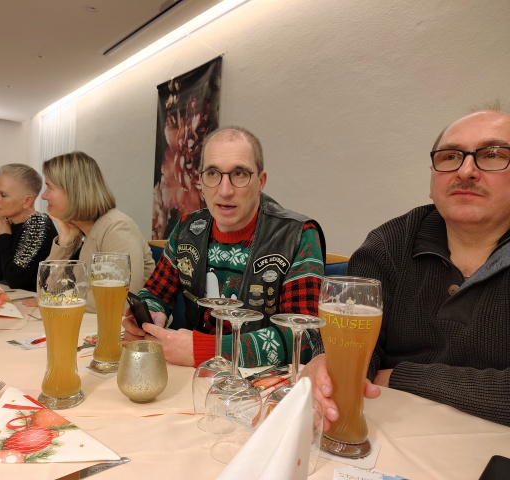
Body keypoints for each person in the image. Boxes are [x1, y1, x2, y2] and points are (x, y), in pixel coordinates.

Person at [302, 109, 510, 428]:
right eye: (450, 156)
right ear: (432, 179)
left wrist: (402, 377)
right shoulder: (390, 243)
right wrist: (324, 362)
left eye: (492, 155)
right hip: (389, 429)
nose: (466, 170)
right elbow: (355, 350)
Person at [123, 126, 326, 368]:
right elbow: (155, 293)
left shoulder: (298, 235)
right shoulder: (187, 229)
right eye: (212, 173)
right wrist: (150, 316)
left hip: (262, 382)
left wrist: (206, 350)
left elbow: (305, 339)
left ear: (261, 182)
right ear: (200, 181)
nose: (225, 190)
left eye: (239, 173)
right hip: (195, 378)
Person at [40, 151, 155, 313]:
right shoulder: (82, 231)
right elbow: (48, 288)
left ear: (74, 191)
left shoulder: (117, 228)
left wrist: (58, 298)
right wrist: (65, 240)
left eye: (49, 187)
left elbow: (119, 301)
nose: (44, 196)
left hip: (131, 326)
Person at [0, 164, 58, 291]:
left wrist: (3, 237)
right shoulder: (6, 224)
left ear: (27, 201)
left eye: (3, 195)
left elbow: (16, 280)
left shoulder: (37, 223)